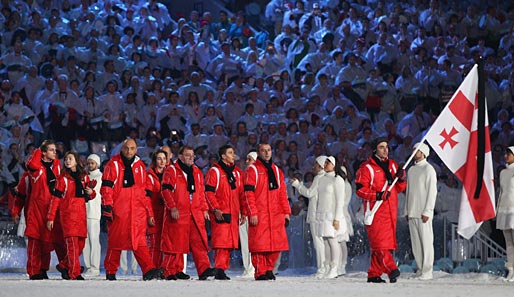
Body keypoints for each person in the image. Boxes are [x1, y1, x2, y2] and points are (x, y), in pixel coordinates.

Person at [100, 138, 161, 281]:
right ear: (122, 149)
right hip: (119, 210)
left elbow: (145, 193)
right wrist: (108, 206)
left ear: (136, 150)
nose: (129, 151)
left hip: (137, 211)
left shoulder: (140, 166)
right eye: (127, 148)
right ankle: (110, 271)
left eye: (132, 148)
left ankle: (148, 269)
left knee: (139, 242)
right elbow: (107, 188)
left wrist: (149, 213)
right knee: (116, 242)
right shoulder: (113, 165)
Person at [355, 137, 406, 283]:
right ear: (375, 150)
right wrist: (377, 195)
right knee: (381, 244)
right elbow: (360, 190)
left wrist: (402, 179)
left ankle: (374, 273)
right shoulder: (367, 168)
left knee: (385, 245)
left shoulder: (393, 166)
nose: (385, 150)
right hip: (376, 211)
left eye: (387, 147)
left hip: (391, 212)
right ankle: (391, 269)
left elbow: (399, 188)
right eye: (381, 147)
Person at [160, 145, 214, 281]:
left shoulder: (196, 171)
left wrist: (204, 208)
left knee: (199, 242)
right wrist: (172, 207)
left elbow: (200, 193)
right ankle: (170, 270)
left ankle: (204, 269)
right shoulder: (171, 170)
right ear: (180, 156)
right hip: (179, 212)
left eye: (192, 155)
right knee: (175, 243)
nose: (191, 157)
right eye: (188, 155)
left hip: (195, 212)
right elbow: (166, 190)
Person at [243, 143, 291, 280]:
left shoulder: (277, 170)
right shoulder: (252, 170)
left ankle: (269, 268)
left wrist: (286, 212)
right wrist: (252, 212)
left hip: (276, 213)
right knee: (259, 245)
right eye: (263, 151)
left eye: (269, 150)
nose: (267, 153)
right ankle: (260, 271)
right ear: (258, 153)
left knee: (276, 244)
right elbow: (248, 193)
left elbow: (283, 193)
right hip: (260, 212)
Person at [47, 151, 96, 280]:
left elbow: (90, 195)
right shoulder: (62, 178)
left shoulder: (84, 177)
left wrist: (91, 192)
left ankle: (64, 265)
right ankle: (75, 273)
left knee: (80, 245)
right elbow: (55, 199)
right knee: (73, 245)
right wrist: (51, 217)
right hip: (68, 215)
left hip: (80, 215)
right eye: (66, 159)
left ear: (76, 160)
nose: (67, 161)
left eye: (70, 158)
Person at [24, 140, 67, 280]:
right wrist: (38, 150)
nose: (55, 152)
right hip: (37, 207)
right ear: (43, 152)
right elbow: (31, 164)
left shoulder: (57, 166)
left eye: (55, 150)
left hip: (53, 206)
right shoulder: (36, 166)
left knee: (54, 240)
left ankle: (62, 268)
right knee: (36, 240)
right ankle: (34, 270)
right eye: (51, 150)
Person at [204, 144, 245, 280]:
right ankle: (219, 268)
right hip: (221, 212)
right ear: (223, 156)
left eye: (233, 152)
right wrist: (215, 208)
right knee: (221, 242)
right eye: (230, 152)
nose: (233, 155)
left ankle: (221, 269)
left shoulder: (237, 173)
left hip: (233, 213)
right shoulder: (214, 171)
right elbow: (209, 192)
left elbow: (242, 195)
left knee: (229, 243)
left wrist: (243, 211)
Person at [404, 142, 437, 280]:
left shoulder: (429, 169)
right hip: (412, 211)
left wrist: (428, 211)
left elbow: (432, 192)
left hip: (423, 212)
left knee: (426, 242)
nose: (413, 152)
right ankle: (420, 268)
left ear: (423, 153)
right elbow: (408, 192)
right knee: (416, 243)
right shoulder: (411, 170)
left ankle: (427, 270)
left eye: (416, 150)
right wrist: (406, 210)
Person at [290, 155, 327, 278]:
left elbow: (309, 193)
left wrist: (297, 184)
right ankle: (325, 268)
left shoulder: (319, 178)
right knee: (323, 242)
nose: (313, 166)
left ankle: (322, 269)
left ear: (321, 166)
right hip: (322, 214)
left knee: (318, 243)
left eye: (316, 164)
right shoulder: (326, 177)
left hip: (315, 214)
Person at [315, 156, 346, 279]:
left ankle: (335, 267)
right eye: (325, 162)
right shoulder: (322, 179)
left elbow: (340, 201)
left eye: (328, 163)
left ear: (334, 165)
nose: (326, 164)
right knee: (326, 241)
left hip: (331, 215)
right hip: (322, 214)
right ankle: (327, 266)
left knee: (332, 241)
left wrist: (337, 218)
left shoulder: (337, 180)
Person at [146, 149, 168, 267]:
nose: (162, 161)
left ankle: (164, 268)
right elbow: (147, 198)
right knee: (154, 243)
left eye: (164, 159)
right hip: (154, 212)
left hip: (167, 213)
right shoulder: (149, 176)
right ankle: (152, 268)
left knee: (165, 243)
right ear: (155, 160)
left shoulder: (169, 174)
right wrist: (150, 214)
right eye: (159, 159)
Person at [83, 154, 103, 276]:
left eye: (92, 163)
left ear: (97, 164)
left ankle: (95, 267)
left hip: (94, 212)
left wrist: (93, 192)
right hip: (84, 211)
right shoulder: (85, 176)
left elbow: (102, 194)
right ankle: (88, 266)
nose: (90, 165)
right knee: (85, 240)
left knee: (94, 240)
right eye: (89, 163)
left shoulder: (101, 177)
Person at [497, 146, 514, 282]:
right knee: (508, 242)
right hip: (504, 208)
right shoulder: (503, 172)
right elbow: (502, 192)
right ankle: (511, 270)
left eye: (509, 153)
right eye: (506, 153)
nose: (506, 155)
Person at [239, 151, 257, 277]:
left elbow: (249, 196)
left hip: (250, 213)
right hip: (244, 212)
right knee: (245, 241)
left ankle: (252, 268)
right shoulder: (244, 175)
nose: (247, 162)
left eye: (249, 159)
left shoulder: (254, 175)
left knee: (251, 242)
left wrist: (246, 211)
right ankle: (248, 268)